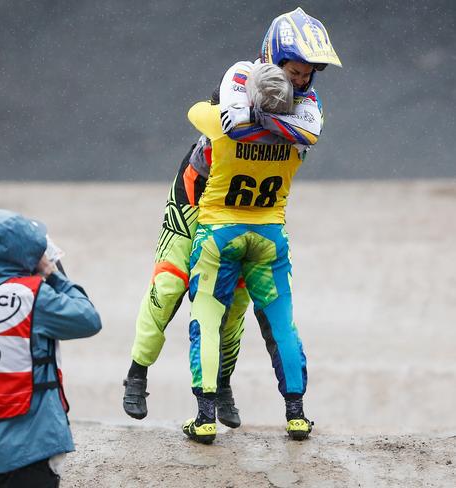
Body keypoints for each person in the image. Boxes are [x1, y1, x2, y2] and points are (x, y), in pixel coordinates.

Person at [182, 7, 342, 444]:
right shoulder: (306, 122)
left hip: (219, 234)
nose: (304, 78)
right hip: (270, 235)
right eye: (299, 72)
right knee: (282, 325)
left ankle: (205, 417)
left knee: (208, 321)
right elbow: (304, 129)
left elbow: (201, 112)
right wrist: (281, 120)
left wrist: (248, 101)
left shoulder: (223, 121)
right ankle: (296, 415)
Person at [123, 62, 298, 428]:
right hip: (192, 199)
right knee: (169, 285)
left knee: (232, 308)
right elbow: (201, 112)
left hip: (233, 218)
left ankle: (222, 386)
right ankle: (137, 373)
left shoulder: (290, 130)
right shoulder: (229, 116)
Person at [0, 209, 102, 488]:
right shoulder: (32, 296)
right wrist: (52, 275)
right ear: (27, 255)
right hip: (27, 450)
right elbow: (88, 319)